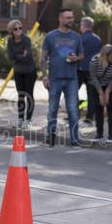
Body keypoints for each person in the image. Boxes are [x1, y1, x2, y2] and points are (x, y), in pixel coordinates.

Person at [41, 8, 83, 146]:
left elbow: (82, 55)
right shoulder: (50, 36)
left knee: (72, 109)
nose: (71, 20)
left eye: (72, 17)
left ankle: (74, 139)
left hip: (72, 78)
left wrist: (76, 58)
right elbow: (43, 58)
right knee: (52, 109)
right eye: (68, 18)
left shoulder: (77, 37)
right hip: (54, 78)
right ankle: (50, 137)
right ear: (60, 19)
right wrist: (44, 76)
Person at [6, 19, 37, 128]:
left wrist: (17, 56)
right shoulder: (10, 41)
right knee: (20, 96)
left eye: (20, 28)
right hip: (18, 71)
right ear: (11, 31)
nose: (18, 30)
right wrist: (21, 55)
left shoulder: (26, 40)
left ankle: (28, 120)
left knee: (29, 95)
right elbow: (10, 57)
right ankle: (20, 119)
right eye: (15, 29)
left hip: (30, 71)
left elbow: (27, 56)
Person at [89, 44, 112, 144]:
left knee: (111, 107)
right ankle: (99, 134)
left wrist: (107, 92)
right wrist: (100, 93)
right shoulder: (94, 61)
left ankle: (111, 135)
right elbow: (93, 77)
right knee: (98, 107)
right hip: (97, 84)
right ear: (105, 56)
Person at [78, 16, 102, 124]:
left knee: (73, 92)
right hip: (93, 70)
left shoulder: (80, 39)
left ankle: (74, 113)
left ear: (83, 26)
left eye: (81, 25)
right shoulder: (98, 40)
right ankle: (89, 117)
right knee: (91, 94)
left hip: (80, 69)